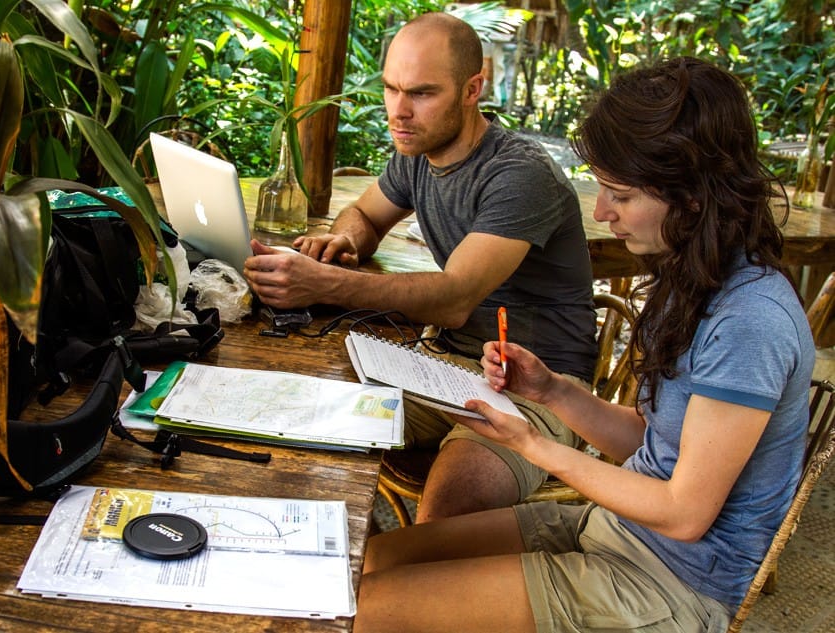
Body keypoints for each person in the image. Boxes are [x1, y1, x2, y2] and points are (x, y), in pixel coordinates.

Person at [352, 56, 815, 633]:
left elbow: (684, 512)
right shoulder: (694, 278)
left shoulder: (751, 320)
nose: (601, 212)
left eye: (619, 195)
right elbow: (652, 441)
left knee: (366, 615)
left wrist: (533, 443)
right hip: (615, 529)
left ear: (693, 196)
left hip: (672, 585)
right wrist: (551, 392)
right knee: (365, 567)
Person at [243, 12, 597, 521]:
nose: (399, 112)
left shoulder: (518, 174)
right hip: (446, 366)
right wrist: (343, 241)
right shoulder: (417, 150)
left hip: (542, 384)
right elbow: (363, 213)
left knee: (445, 513)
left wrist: (327, 283)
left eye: (422, 93)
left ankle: (402, 588)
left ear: (473, 89)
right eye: (391, 89)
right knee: (297, 415)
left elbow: (454, 299)